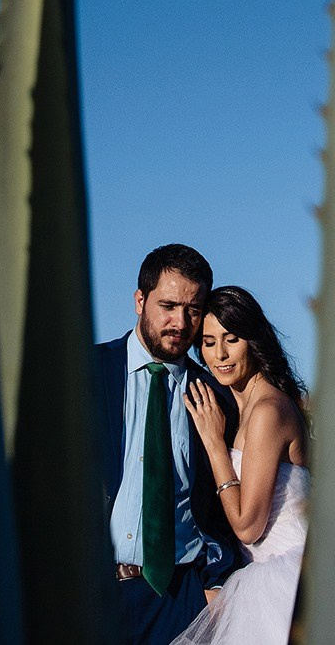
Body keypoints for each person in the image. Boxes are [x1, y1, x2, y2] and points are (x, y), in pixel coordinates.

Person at [95, 245, 243, 645]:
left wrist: (216, 582)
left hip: (183, 598)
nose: (181, 322)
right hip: (92, 591)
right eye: (168, 305)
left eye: (193, 309)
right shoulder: (86, 372)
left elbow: (228, 494)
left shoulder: (217, 395)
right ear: (139, 301)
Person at [172, 285, 309, 645]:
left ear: (253, 339)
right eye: (208, 341)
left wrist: (215, 446)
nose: (220, 354)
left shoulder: (267, 411)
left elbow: (248, 527)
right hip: (259, 574)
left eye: (231, 339)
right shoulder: (244, 408)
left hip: (284, 582)